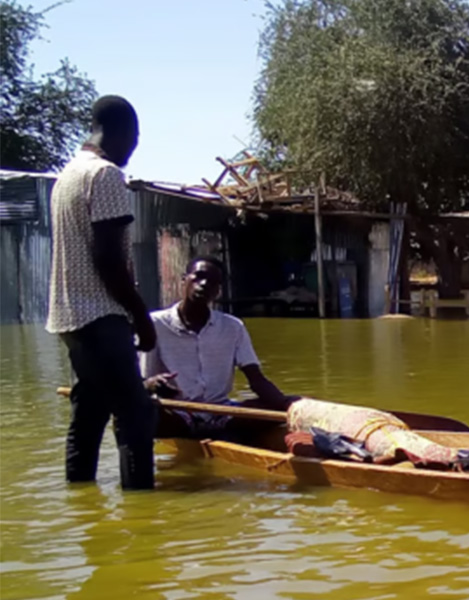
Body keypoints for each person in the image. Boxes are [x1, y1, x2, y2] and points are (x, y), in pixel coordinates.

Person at [47, 96, 158, 490]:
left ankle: (82, 507)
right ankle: (142, 519)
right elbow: (109, 259)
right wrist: (141, 318)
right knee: (135, 414)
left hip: (68, 317)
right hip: (100, 315)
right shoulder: (106, 175)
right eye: (136, 137)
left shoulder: (67, 175)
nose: (134, 147)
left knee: (89, 412)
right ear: (123, 132)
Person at [140, 256, 292, 441]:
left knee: (288, 403)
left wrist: (287, 405)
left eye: (212, 282)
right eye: (198, 277)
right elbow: (140, 381)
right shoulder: (154, 324)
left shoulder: (233, 327)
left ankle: (215, 433)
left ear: (218, 291)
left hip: (221, 412)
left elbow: (256, 379)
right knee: (138, 410)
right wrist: (151, 384)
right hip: (178, 414)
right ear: (184, 280)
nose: (204, 284)